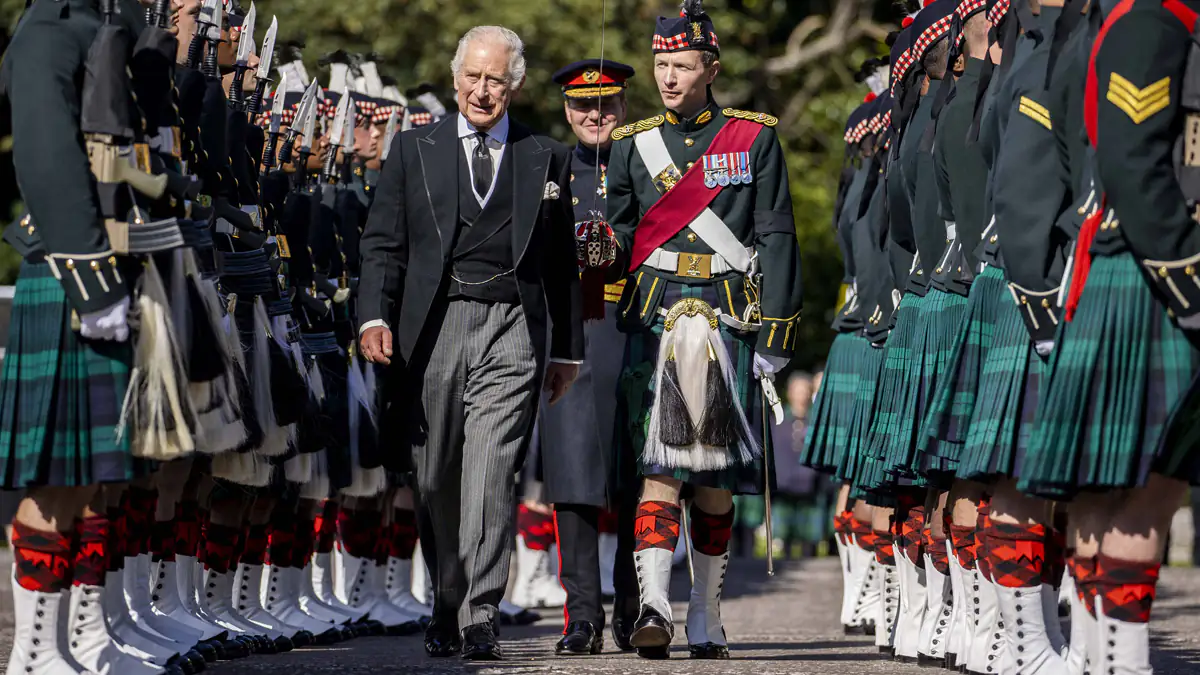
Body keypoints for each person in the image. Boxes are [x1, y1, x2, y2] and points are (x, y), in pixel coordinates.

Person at [358, 25, 585, 661]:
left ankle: (481, 613)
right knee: (434, 477)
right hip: (433, 327)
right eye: (473, 77)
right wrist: (373, 317)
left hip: (512, 326)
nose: (482, 91)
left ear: (515, 86)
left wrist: (566, 351)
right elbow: (383, 243)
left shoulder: (545, 156)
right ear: (456, 78)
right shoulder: (414, 148)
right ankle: (446, 599)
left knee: (491, 469)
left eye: (496, 81)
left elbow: (561, 264)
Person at [601, 0, 803, 660]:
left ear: (710, 68)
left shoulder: (753, 138)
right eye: (661, 65)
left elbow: (776, 234)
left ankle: (705, 610)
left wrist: (777, 334)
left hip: (726, 314)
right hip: (657, 316)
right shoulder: (631, 144)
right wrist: (601, 250)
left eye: (682, 65)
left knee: (713, 480)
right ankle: (653, 606)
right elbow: (622, 235)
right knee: (658, 468)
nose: (668, 77)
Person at [535, 57, 635, 656]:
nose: (594, 114)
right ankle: (582, 616)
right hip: (569, 335)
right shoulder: (548, 169)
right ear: (567, 111)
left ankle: (633, 605)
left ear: (623, 106)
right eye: (582, 105)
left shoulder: (644, 165)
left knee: (635, 476)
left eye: (606, 104)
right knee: (572, 480)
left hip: (633, 328)